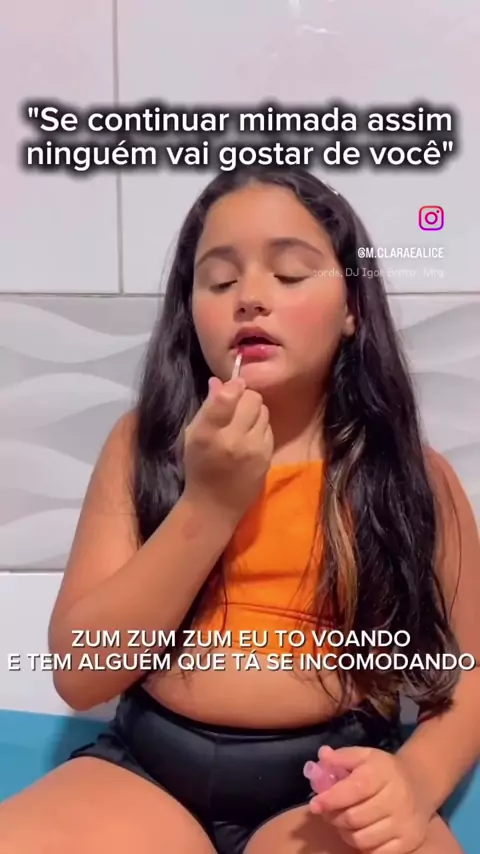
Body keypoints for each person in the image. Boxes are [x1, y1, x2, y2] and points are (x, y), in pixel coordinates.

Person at [0, 167, 478, 854]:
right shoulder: (142, 447)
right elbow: (82, 675)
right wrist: (209, 504)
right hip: (147, 777)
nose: (250, 297)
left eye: (290, 274)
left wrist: (418, 779)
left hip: (325, 786)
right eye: (220, 282)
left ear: (353, 309)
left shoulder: (408, 476)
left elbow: (470, 674)